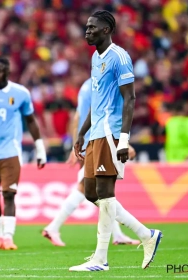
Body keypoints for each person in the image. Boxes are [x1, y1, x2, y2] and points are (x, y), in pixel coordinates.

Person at [69, 11, 163, 272]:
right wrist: (81, 132)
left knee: (105, 194)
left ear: (107, 29)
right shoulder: (94, 57)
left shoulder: (120, 57)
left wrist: (124, 140)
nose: (87, 31)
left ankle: (103, 258)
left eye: (92, 28)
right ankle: (145, 235)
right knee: (91, 193)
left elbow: (130, 98)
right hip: (95, 132)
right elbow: (96, 101)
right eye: (86, 27)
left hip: (111, 133)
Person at [42, 78, 140, 246]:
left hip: (91, 141)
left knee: (102, 190)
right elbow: (103, 116)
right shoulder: (102, 85)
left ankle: (117, 234)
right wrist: (125, 143)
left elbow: (78, 117)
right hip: (97, 142)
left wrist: (76, 143)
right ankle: (53, 227)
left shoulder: (88, 85)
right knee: (92, 189)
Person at [0, 56, 47, 250]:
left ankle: (8, 237)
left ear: (7, 72)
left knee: (9, 194)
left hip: (11, 152)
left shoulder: (21, 93)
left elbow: (31, 120)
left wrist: (40, 148)